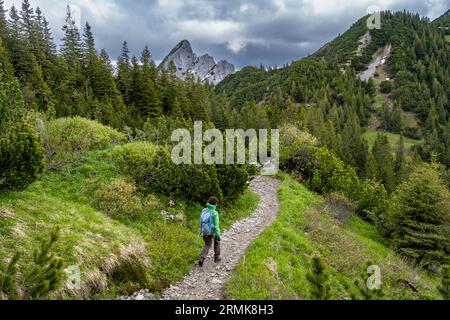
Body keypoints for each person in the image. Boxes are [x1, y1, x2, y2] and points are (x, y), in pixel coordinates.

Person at [199, 197, 221, 267]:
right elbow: (216, 226)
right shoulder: (215, 213)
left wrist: (201, 230)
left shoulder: (204, 210)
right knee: (217, 243)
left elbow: (201, 221)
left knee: (207, 244)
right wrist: (218, 235)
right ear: (215, 204)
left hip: (204, 230)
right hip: (212, 231)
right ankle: (216, 257)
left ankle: (202, 257)